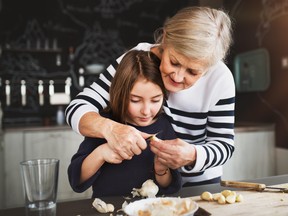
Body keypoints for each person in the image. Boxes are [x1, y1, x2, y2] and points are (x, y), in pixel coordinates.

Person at [66, 6, 235, 187]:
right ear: (165, 40)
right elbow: (78, 106)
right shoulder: (138, 60)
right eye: (174, 62)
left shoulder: (220, 79)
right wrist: (109, 129)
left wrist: (193, 155)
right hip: (147, 189)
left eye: (193, 72)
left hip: (201, 186)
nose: (177, 77)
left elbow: (224, 145)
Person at [68, 50, 182, 197]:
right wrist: (101, 153)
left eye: (155, 100)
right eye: (135, 100)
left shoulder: (165, 126)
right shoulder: (107, 125)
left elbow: (171, 187)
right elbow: (76, 181)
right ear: (120, 94)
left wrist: (161, 170)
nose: (146, 111)